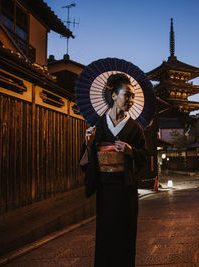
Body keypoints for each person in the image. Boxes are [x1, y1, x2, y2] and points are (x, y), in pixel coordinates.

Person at [79, 73, 147, 266]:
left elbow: (144, 156)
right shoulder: (98, 126)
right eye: (127, 95)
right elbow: (86, 160)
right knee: (106, 235)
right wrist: (88, 143)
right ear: (114, 96)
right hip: (106, 189)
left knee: (125, 234)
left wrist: (131, 150)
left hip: (126, 190)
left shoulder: (135, 129)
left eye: (133, 96)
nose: (131, 100)